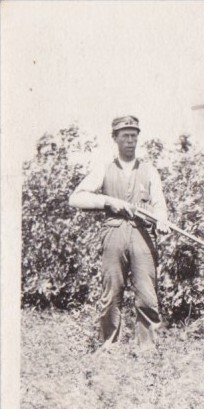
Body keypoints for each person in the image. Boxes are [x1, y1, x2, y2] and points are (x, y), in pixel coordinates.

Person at [69, 115, 169, 352]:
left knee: (147, 293)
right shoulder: (103, 169)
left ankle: (147, 349)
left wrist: (162, 219)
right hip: (113, 233)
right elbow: (76, 197)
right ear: (115, 138)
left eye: (134, 136)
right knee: (112, 292)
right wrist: (108, 202)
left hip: (143, 234)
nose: (130, 141)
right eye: (125, 135)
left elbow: (159, 204)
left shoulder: (149, 170)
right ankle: (109, 346)